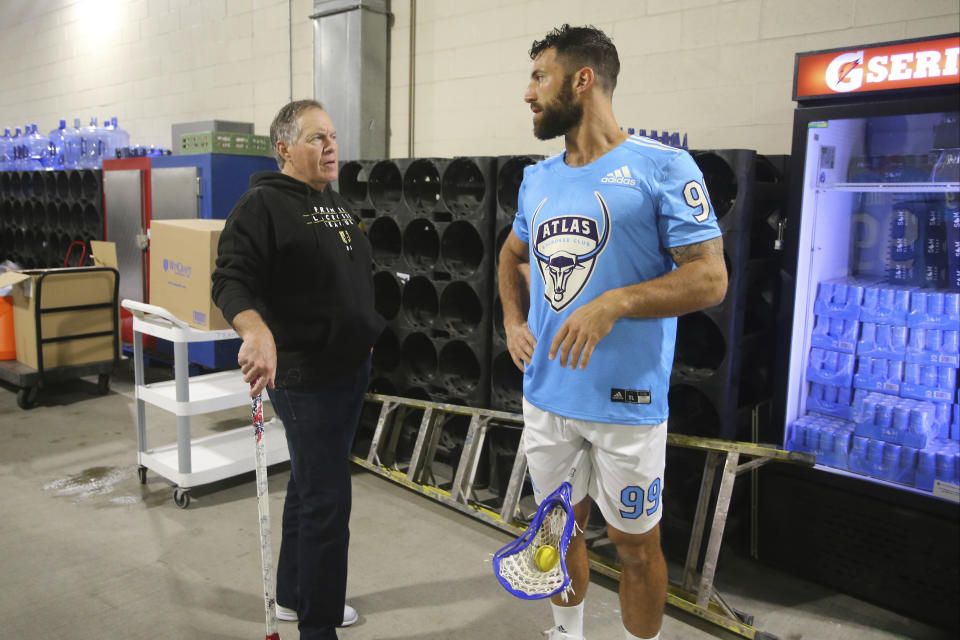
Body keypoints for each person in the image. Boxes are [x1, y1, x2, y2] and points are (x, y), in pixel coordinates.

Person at [498, 25, 728, 640]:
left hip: (626, 407)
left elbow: (710, 279)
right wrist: (513, 321)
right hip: (547, 397)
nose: (528, 93)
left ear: (583, 80)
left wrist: (617, 302)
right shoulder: (537, 178)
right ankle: (566, 631)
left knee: (635, 548)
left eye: (539, 77)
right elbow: (510, 255)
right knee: (555, 529)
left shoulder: (663, 167)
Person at [212, 99, 384, 640]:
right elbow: (229, 280)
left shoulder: (333, 202)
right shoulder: (262, 205)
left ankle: (293, 594)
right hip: (308, 378)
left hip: (348, 369)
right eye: (317, 138)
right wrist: (256, 331)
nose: (331, 147)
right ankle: (319, 626)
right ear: (284, 148)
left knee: (310, 487)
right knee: (328, 500)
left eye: (332, 137)